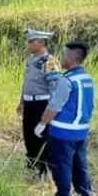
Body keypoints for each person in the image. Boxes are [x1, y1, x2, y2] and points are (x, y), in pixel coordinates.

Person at [34, 42, 95, 196]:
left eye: (64, 55)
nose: (61, 58)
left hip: (63, 132)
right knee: (80, 163)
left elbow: (54, 106)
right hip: (81, 131)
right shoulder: (88, 79)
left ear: (71, 58)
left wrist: (42, 124)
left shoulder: (66, 80)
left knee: (62, 166)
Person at [17, 28, 62, 178]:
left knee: (42, 136)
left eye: (31, 41)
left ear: (41, 43)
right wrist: (21, 101)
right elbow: (26, 83)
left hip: (42, 104)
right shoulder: (30, 60)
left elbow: (55, 88)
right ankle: (31, 164)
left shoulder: (49, 62)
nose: (28, 44)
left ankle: (43, 169)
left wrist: (50, 109)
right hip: (29, 104)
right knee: (29, 135)